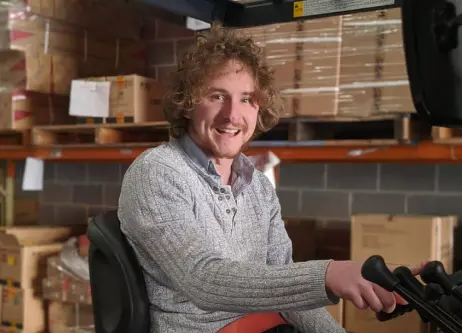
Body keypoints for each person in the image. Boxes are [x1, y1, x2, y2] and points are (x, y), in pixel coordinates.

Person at [118, 24, 423, 333]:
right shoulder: (157, 172)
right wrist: (329, 275)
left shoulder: (258, 186)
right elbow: (203, 280)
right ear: (187, 104)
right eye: (217, 96)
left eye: (247, 99)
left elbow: (284, 287)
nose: (233, 115)